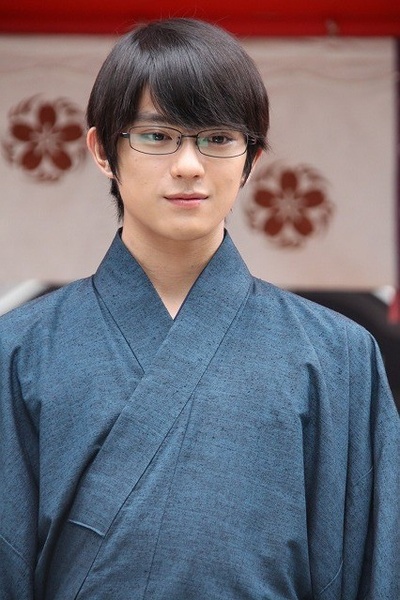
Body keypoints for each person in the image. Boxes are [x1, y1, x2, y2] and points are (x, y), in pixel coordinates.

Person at [0, 17, 399, 600]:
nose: (188, 165)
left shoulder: (338, 356)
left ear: (251, 158)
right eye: (157, 136)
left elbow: (372, 569)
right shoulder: (19, 349)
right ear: (102, 151)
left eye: (216, 138)